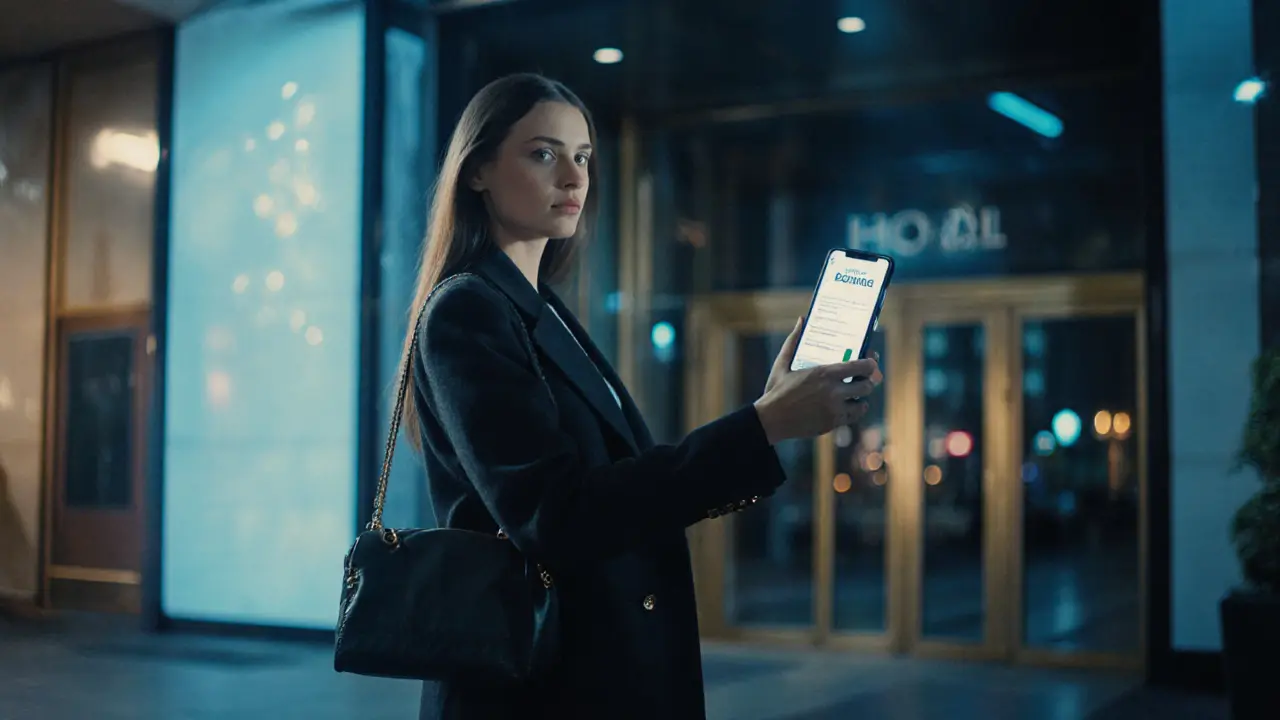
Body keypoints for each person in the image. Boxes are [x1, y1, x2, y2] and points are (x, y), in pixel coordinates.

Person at [405, 73, 883, 720]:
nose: (573, 179)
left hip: (592, 671)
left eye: (582, 157)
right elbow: (557, 516)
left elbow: (624, 486)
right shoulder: (468, 311)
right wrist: (759, 427)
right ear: (479, 170)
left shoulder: (539, 308)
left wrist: (769, 414)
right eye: (542, 154)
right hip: (538, 688)